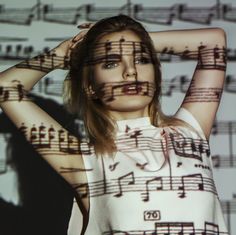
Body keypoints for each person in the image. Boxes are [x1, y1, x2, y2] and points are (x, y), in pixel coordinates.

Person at [0, 15, 228, 235]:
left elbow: (214, 42)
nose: (131, 71)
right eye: (110, 62)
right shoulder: (84, 160)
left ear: (157, 78)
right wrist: (61, 55)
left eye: (141, 59)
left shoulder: (190, 132)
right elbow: (6, 86)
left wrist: (131, 41)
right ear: (91, 87)